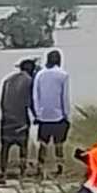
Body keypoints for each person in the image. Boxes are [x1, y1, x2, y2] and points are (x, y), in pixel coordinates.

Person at [0, 59, 37, 184]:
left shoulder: (8, 80)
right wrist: (36, 116)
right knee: (23, 147)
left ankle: (3, 174)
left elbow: (2, 101)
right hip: (21, 119)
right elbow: (30, 102)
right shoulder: (29, 81)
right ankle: (22, 174)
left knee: (5, 147)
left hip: (7, 118)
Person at [33, 49, 71, 177]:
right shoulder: (63, 75)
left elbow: (35, 96)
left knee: (43, 144)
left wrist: (38, 113)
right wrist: (66, 114)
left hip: (43, 116)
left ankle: (40, 168)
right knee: (58, 144)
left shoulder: (39, 74)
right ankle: (60, 168)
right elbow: (64, 97)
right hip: (58, 115)